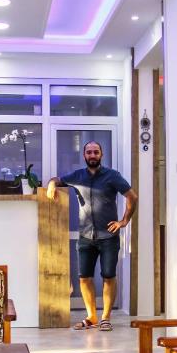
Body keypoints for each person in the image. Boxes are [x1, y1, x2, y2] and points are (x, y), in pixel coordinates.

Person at [47, 141, 137, 331]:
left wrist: (124, 221)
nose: (92, 155)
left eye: (96, 152)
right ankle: (92, 317)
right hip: (85, 237)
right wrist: (51, 185)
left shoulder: (112, 176)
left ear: (101, 155)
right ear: (84, 155)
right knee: (84, 278)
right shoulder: (77, 176)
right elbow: (57, 179)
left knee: (108, 277)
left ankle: (105, 318)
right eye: (89, 152)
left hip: (108, 237)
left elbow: (132, 196)